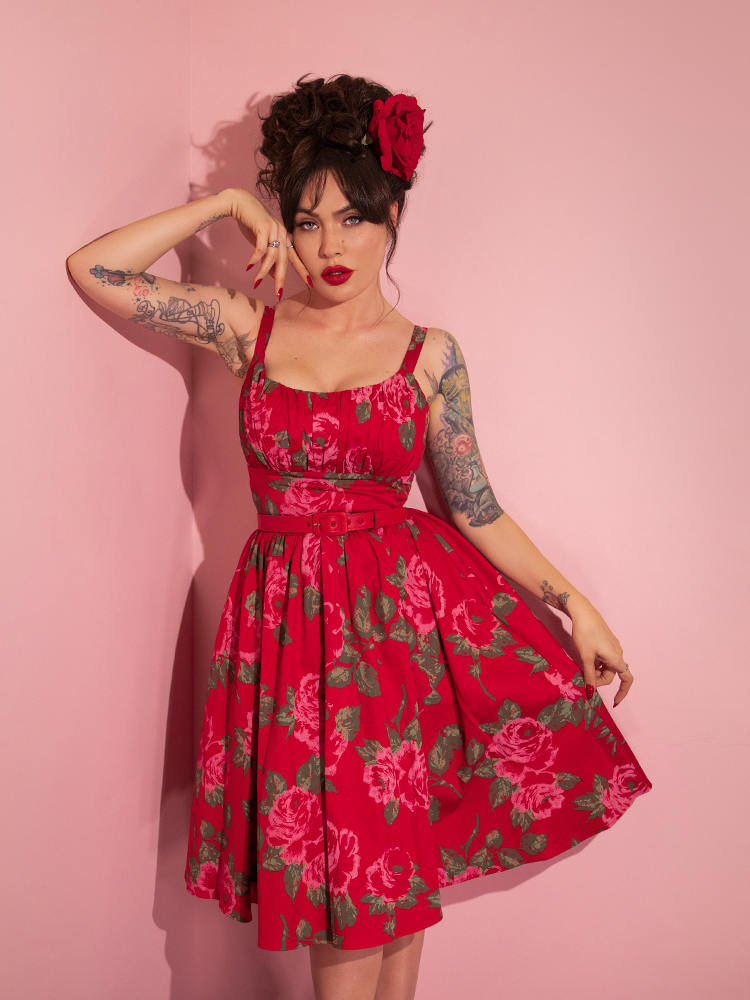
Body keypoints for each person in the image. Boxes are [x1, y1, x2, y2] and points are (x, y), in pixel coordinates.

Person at [67, 74, 651, 1000]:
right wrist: (223, 205)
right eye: (306, 222)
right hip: (288, 633)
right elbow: (92, 270)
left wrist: (574, 605)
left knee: (390, 883)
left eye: (353, 219)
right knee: (343, 888)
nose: (330, 246)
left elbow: (475, 508)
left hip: (398, 640)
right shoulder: (246, 329)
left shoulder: (430, 356)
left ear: (392, 220)